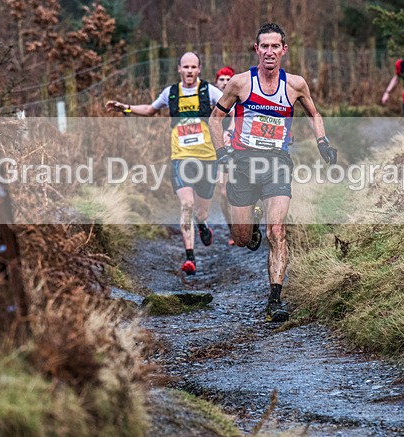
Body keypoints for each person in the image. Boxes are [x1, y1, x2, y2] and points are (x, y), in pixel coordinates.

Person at [208, 22, 337, 322]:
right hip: (242, 163)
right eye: (263, 46)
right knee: (241, 239)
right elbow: (215, 119)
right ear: (256, 49)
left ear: (283, 49)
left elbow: (314, 114)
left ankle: (274, 300)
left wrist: (323, 142)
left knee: (277, 231)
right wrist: (222, 154)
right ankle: (250, 222)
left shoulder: (295, 85)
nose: (269, 51)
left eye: (274, 46)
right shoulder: (240, 83)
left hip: (277, 163)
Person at [106, 52, 223, 275]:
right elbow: (151, 110)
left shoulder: (211, 91)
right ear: (179, 69)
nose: (189, 71)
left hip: (207, 159)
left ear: (199, 69)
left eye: (193, 67)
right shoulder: (170, 93)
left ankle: (202, 224)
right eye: (185, 67)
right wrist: (126, 108)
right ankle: (190, 257)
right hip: (181, 158)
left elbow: (230, 108)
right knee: (186, 205)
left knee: (200, 211)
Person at [214, 66, 236, 243]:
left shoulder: (239, 99)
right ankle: (232, 229)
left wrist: (229, 131)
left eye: (229, 79)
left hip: (238, 148)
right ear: (216, 82)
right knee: (223, 192)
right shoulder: (211, 100)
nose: (225, 82)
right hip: (217, 151)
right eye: (222, 79)